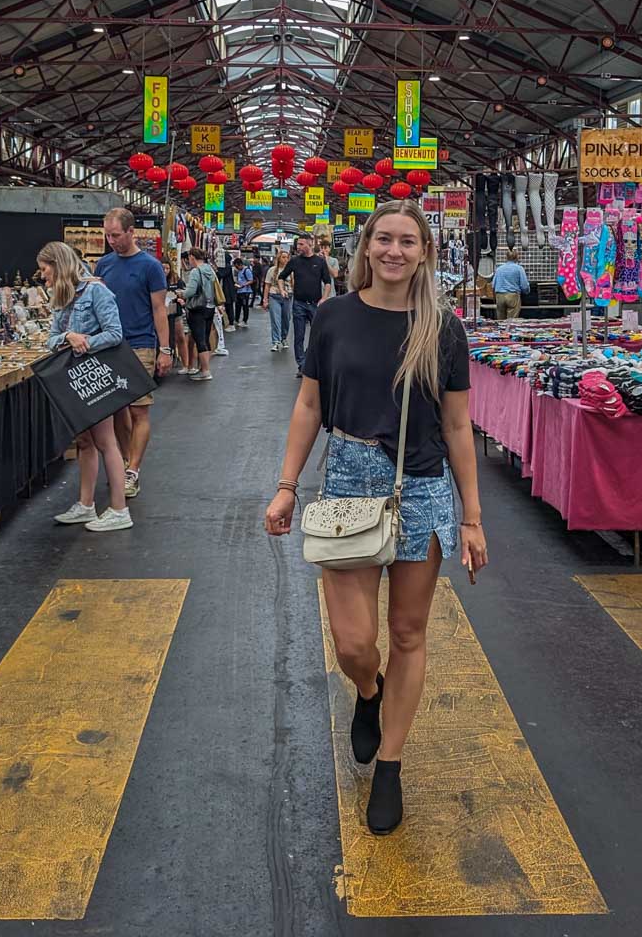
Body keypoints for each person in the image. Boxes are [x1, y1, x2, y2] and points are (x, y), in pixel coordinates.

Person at [265, 201, 488, 836]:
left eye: (407, 242)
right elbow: (309, 405)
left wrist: (471, 517)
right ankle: (369, 692)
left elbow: (456, 425)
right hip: (348, 483)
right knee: (355, 645)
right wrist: (286, 486)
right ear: (367, 246)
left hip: (422, 488)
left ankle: (389, 764)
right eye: (384, 239)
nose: (394, 251)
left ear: (424, 252)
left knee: (409, 633)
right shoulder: (334, 316)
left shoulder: (442, 327)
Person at [38, 242, 133, 532]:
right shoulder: (63, 296)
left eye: (45, 269)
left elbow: (116, 333)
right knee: (85, 442)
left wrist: (85, 342)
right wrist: (69, 335)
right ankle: (86, 504)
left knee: (105, 442)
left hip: (96, 377)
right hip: (77, 378)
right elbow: (52, 337)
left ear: (58, 265)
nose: (42, 276)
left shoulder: (97, 292)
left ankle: (119, 508)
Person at [96, 209, 171, 500]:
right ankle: (124, 464)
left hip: (140, 345)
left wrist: (164, 350)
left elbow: (159, 310)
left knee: (139, 410)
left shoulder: (150, 266)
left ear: (131, 232)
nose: (111, 240)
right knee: (116, 409)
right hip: (108, 346)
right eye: (107, 235)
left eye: (116, 235)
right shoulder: (103, 265)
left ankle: (133, 471)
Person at [280, 233, 332, 377]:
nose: (298, 247)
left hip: (315, 304)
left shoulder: (319, 262)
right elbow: (281, 276)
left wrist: (324, 298)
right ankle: (302, 365)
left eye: (301, 244)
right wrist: (282, 289)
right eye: (298, 244)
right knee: (299, 336)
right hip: (299, 304)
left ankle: (308, 361)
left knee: (316, 335)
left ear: (310, 244)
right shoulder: (294, 261)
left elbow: (327, 282)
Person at [182, 248, 218, 381]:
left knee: (199, 340)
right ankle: (203, 368)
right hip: (210, 307)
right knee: (206, 338)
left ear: (192, 257)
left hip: (197, 308)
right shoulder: (210, 270)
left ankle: (206, 371)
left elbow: (191, 291)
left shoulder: (196, 272)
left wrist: (182, 294)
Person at [264, 249, 292, 351]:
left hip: (288, 297)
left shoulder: (291, 270)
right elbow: (267, 285)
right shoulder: (272, 270)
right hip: (274, 296)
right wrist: (265, 300)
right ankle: (275, 341)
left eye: (287, 257)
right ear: (279, 258)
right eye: (283, 257)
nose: (285, 259)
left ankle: (284, 338)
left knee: (286, 319)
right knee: (275, 320)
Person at [491, 251, 530, 319]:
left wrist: (494, 298)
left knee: (500, 321)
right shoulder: (519, 268)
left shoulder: (499, 269)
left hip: (499, 296)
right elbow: (524, 286)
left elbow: (493, 285)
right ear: (517, 257)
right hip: (512, 296)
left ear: (506, 257)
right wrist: (527, 292)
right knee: (511, 321)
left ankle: (501, 329)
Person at [215, 246, 237, 330]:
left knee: (229, 307)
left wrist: (216, 270)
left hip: (228, 291)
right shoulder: (227, 266)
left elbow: (221, 274)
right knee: (227, 306)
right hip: (226, 290)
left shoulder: (227, 267)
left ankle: (231, 323)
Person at [233, 257, 253, 327]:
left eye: (237, 266)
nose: (236, 268)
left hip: (245, 291)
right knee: (237, 306)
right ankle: (236, 319)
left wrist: (243, 285)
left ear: (240, 264)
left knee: (245, 307)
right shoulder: (239, 271)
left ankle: (245, 320)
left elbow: (251, 280)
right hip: (239, 291)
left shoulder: (246, 270)